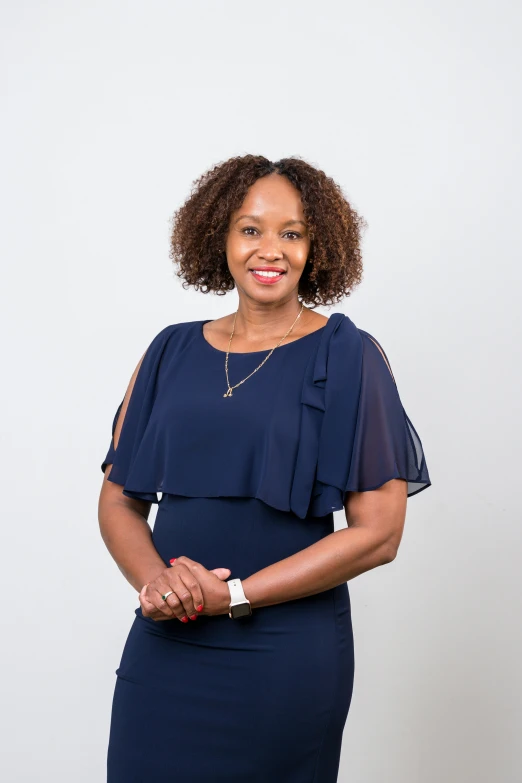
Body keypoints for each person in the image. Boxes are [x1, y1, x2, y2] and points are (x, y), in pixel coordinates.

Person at [98, 154, 431, 783]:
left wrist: (235, 596)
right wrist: (161, 588)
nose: (268, 249)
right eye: (250, 229)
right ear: (219, 237)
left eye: (292, 232)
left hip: (284, 659)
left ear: (317, 246)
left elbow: (379, 534)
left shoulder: (349, 355)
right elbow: (119, 498)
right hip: (168, 643)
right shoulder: (169, 348)